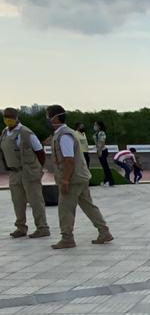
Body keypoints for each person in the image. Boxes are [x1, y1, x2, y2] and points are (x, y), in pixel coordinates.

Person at [46, 105, 113, 249]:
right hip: (80, 177)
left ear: (55, 118)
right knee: (88, 206)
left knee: (65, 208)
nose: (47, 119)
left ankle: (67, 238)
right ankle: (104, 231)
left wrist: (65, 180)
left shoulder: (63, 135)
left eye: (48, 116)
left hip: (72, 179)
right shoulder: (64, 133)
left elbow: (69, 160)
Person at [0, 107, 50, 238]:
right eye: (6, 117)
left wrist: (38, 168)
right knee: (17, 201)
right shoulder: (5, 133)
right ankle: (21, 227)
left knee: (35, 200)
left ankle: (42, 227)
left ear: (17, 118)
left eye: (11, 117)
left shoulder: (26, 133)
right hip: (14, 172)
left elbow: (39, 151)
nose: (8, 120)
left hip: (28, 171)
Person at [93, 119, 114, 186]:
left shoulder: (102, 133)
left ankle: (110, 181)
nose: (94, 126)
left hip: (103, 150)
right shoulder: (96, 133)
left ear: (99, 126)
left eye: (95, 125)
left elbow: (102, 142)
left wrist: (99, 151)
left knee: (105, 167)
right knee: (104, 167)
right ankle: (106, 180)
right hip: (99, 150)